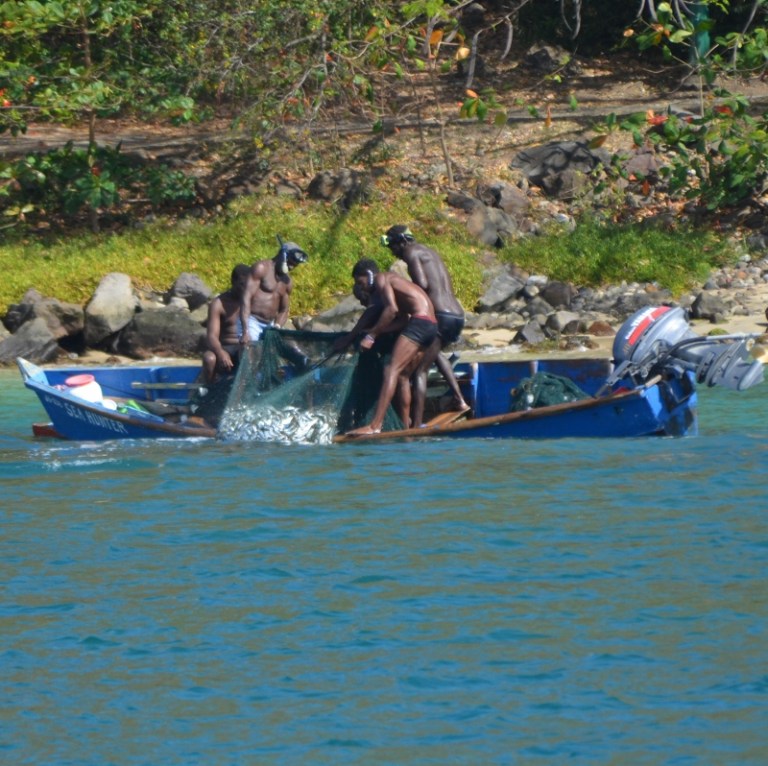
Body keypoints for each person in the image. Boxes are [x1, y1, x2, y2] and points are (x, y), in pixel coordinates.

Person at [345, 259, 441, 436]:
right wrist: (375, 330)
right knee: (403, 376)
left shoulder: (383, 279)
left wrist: (371, 336)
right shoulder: (396, 283)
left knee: (391, 370)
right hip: (431, 326)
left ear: (369, 275)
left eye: (361, 282)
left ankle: (375, 425)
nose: (362, 287)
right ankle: (404, 429)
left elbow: (391, 310)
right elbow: (402, 320)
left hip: (420, 323)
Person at [380, 224, 469, 416]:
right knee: (435, 354)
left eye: (393, 247)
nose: (393, 252)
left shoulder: (411, 252)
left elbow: (422, 284)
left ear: (402, 242)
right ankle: (459, 398)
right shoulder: (429, 252)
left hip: (441, 316)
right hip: (457, 315)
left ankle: (416, 425)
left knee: (419, 371)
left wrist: (403, 293)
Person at [239, 237, 308, 345]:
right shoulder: (261, 268)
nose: (291, 267)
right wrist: (245, 330)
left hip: (270, 325)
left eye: (294, 265)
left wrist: (277, 326)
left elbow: (284, 310)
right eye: (289, 262)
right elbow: (246, 298)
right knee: (251, 353)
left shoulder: (287, 282)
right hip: (252, 321)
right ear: (282, 255)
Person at [202, 263, 251, 384]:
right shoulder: (218, 303)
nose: (245, 288)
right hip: (225, 347)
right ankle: (210, 392)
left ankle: (244, 392)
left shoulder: (252, 301)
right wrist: (221, 353)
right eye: (241, 284)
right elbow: (212, 336)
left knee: (246, 354)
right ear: (233, 282)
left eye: (248, 285)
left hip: (245, 348)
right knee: (209, 358)